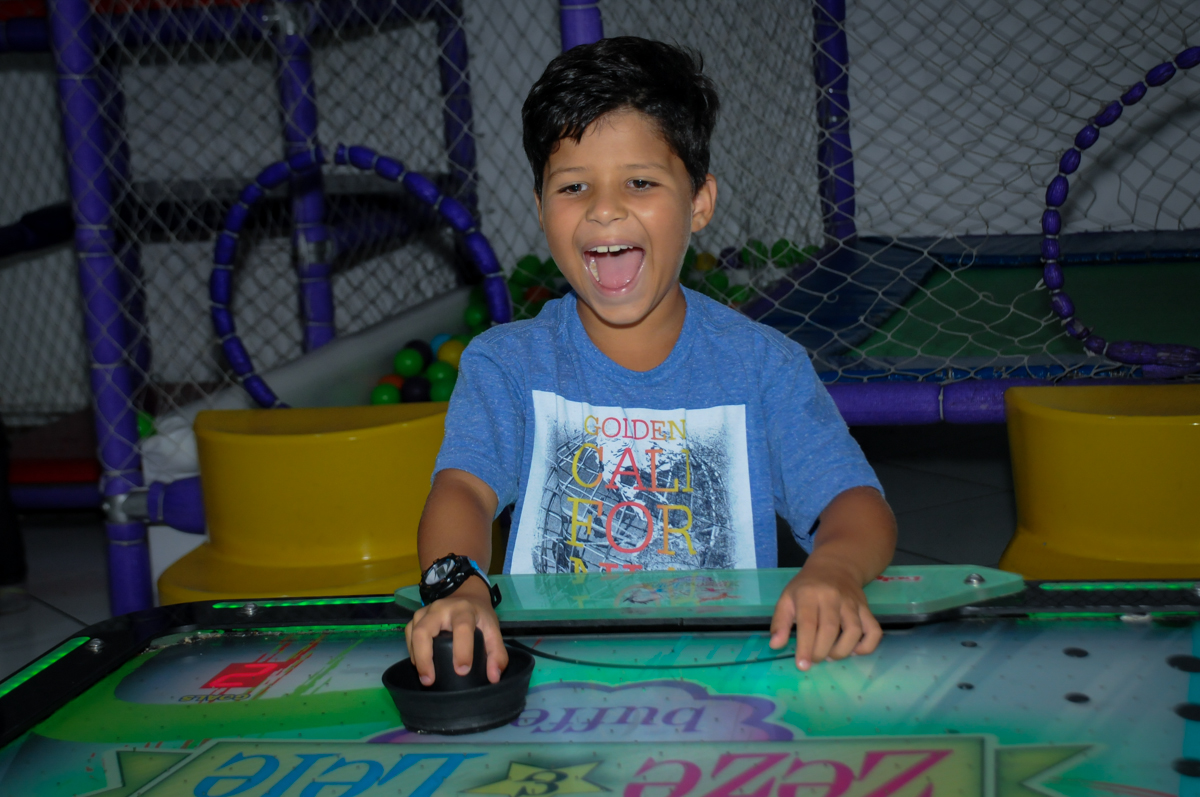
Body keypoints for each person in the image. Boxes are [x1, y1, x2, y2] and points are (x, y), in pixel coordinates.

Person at [405, 37, 896, 685]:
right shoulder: (507, 363)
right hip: (551, 680)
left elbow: (855, 503)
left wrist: (832, 569)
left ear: (700, 201)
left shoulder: (762, 366)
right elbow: (462, 489)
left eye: (640, 182)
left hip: (730, 680)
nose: (605, 209)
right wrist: (459, 586)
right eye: (573, 187)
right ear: (541, 209)